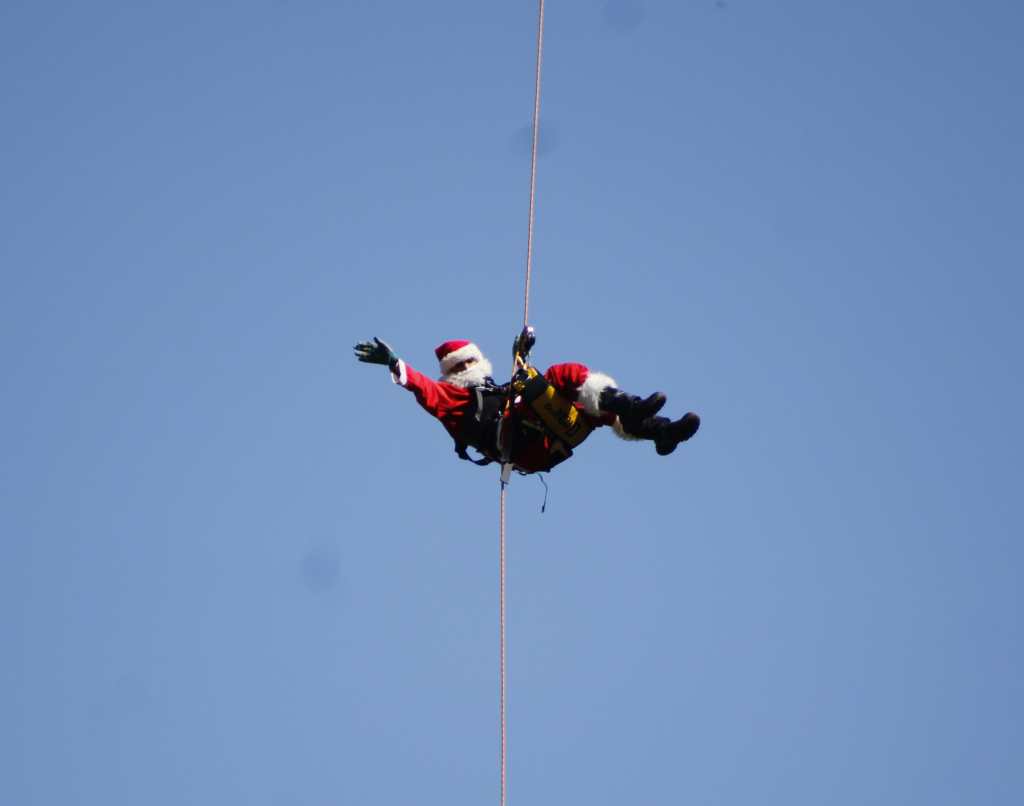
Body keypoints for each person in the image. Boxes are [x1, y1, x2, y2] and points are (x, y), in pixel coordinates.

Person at [353, 335, 699, 474]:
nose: (466, 369)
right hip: (526, 445)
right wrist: (395, 363)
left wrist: (521, 354)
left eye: (469, 362)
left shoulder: (491, 392)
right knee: (562, 375)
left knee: (594, 408)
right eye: (459, 366)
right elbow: (424, 389)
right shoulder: (453, 399)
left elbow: (520, 390)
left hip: (549, 437)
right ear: (450, 373)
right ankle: (630, 406)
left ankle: (662, 432)